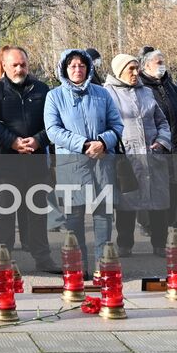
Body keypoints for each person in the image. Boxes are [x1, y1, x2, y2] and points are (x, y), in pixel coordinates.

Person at [0, 46, 57, 272]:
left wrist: (39, 140)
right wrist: (11, 141)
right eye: (14, 65)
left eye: (23, 64)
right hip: (6, 162)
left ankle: (42, 257)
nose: (19, 68)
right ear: (4, 65)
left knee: (38, 211)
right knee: (5, 212)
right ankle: (3, 258)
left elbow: (52, 123)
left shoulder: (41, 89)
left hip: (36, 161)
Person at [44, 48, 122, 274]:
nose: (77, 70)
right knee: (74, 218)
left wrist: (103, 142)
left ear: (88, 68)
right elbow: (53, 131)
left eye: (81, 65)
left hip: (102, 161)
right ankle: (79, 267)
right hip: (72, 163)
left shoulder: (102, 93)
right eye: (72, 66)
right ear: (64, 69)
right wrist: (83, 144)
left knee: (103, 216)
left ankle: (103, 265)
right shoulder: (54, 96)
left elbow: (116, 125)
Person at [104, 53, 172, 256]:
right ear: (119, 72)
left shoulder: (147, 92)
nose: (136, 73)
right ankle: (125, 244)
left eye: (137, 68)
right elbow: (106, 124)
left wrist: (162, 141)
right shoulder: (108, 93)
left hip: (153, 154)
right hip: (127, 156)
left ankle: (160, 244)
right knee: (127, 203)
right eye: (130, 69)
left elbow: (162, 122)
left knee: (159, 202)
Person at [138, 49, 177, 233]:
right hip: (156, 144)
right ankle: (149, 224)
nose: (162, 66)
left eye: (163, 62)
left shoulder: (169, 85)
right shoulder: (142, 88)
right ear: (146, 65)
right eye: (158, 62)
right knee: (153, 185)